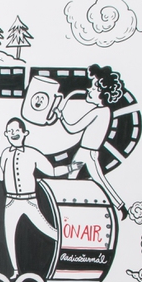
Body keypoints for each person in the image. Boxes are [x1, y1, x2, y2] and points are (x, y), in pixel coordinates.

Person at [0, 117, 79, 279]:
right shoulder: (6, 153)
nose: (13, 133)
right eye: (10, 131)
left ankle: (71, 252)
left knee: (48, 230)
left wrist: (70, 168)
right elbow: (1, 176)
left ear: (25, 133)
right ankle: (15, 272)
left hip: (29, 201)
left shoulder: (32, 153)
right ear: (6, 134)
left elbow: (52, 171)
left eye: (17, 130)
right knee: (9, 236)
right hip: (11, 202)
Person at [53, 64, 129, 220]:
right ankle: (119, 206)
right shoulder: (106, 111)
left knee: (82, 180)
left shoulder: (99, 112)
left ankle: (68, 211)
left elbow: (73, 128)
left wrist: (60, 116)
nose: (89, 89)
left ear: (102, 93)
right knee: (81, 180)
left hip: (87, 152)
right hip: (87, 152)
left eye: (93, 87)